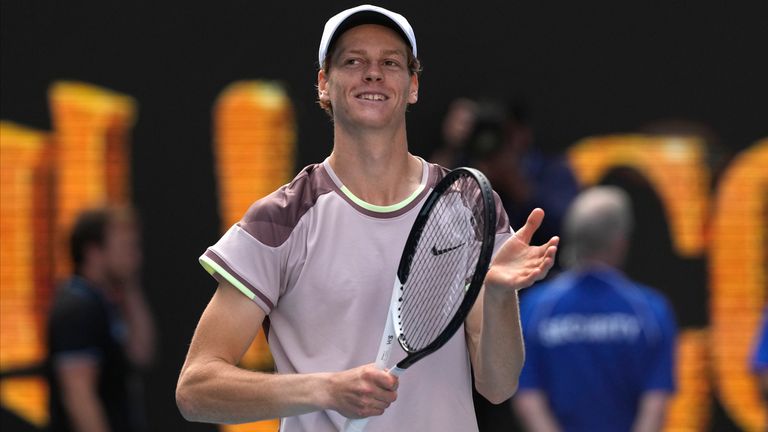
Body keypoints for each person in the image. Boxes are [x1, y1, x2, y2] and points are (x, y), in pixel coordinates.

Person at [175, 5, 559, 432]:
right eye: (353, 61)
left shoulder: (467, 206)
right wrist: (326, 389)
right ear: (324, 83)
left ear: (412, 85)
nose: (372, 74)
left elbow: (498, 384)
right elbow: (196, 389)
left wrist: (500, 295)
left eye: (390, 63)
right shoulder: (281, 219)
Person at [512, 187, 677, 432]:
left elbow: (527, 393)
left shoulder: (537, 306)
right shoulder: (650, 309)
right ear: (621, 241)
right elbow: (655, 402)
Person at [47, 207, 155, 432]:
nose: (136, 257)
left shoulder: (107, 302)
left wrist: (131, 288)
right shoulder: (76, 308)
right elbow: (79, 396)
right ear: (93, 252)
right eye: (126, 247)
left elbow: (142, 354)